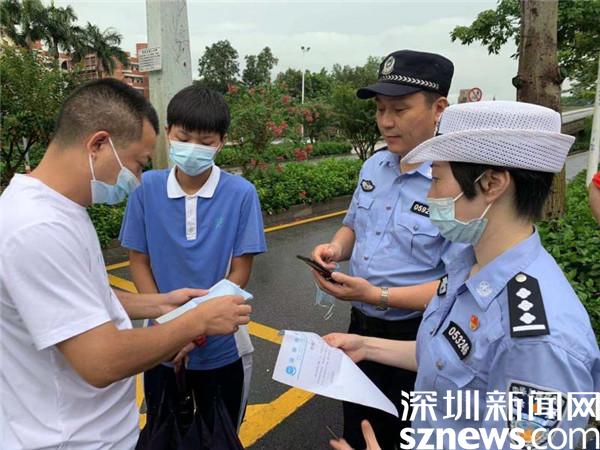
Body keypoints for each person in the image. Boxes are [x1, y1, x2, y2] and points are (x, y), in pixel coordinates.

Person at [327, 101, 600, 450]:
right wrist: (366, 346)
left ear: (492, 183)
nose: (429, 195)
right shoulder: (468, 264)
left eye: (437, 179)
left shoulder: (538, 343)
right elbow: (451, 361)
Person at [0, 79, 251, 450]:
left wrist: (160, 305)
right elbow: (101, 361)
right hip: (72, 440)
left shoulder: (63, 212)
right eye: (137, 163)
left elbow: (84, 298)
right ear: (98, 144)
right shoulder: (37, 228)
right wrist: (195, 321)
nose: (136, 179)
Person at [311, 49, 459, 449]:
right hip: (360, 326)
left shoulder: (452, 183)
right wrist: (334, 249)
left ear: (438, 109)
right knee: (358, 426)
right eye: (380, 109)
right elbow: (352, 225)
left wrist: (377, 294)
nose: (386, 121)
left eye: (399, 109)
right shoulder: (375, 165)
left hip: (417, 337)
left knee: (405, 436)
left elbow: (456, 285)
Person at [119, 84, 267, 432]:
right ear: (168, 132)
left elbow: (239, 271)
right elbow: (138, 261)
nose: (193, 148)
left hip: (221, 344)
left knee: (221, 435)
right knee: (164, 433)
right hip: (160, 344)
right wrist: (172, 328)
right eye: (184, 137)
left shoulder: (241, 194)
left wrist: (196, 331)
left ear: (222, 142)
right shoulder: (146, 189)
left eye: (206, 141)